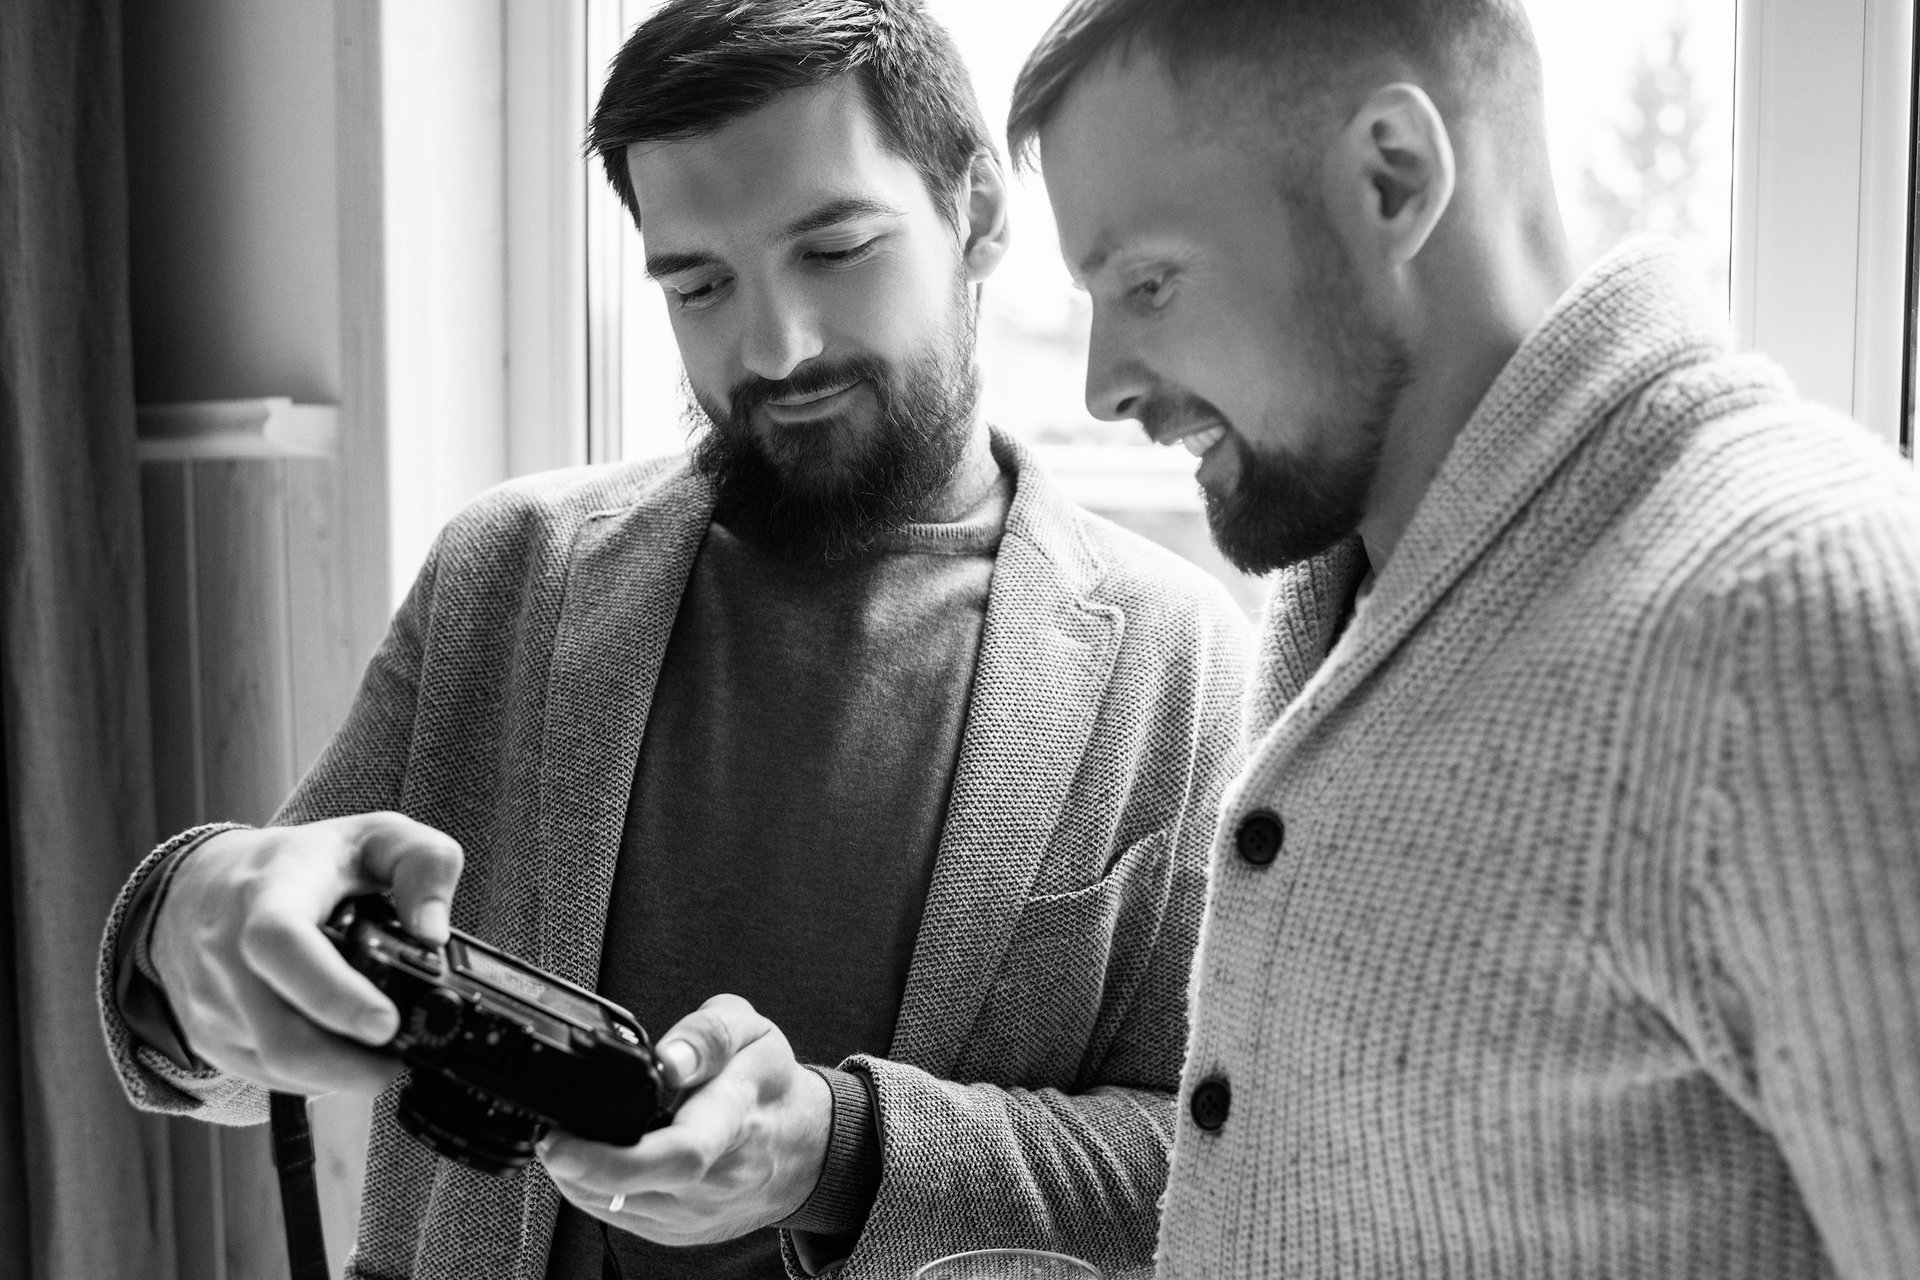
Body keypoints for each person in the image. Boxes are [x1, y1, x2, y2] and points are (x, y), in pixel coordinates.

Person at [95, 3, 1264, 1278]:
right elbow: (241, 1021)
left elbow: (1206, 1164)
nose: (774, 347)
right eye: (697, 283)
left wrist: (844, 1151)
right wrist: (184, 923)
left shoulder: (1181, 658)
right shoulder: (506, 573)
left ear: (977, 214)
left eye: (835, 248)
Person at [1009, 0, 1920, 1277]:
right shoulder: (1358, 589)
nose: (1101, 381)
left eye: (1147, 280)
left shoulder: (1795, 623)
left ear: (1395, 176)